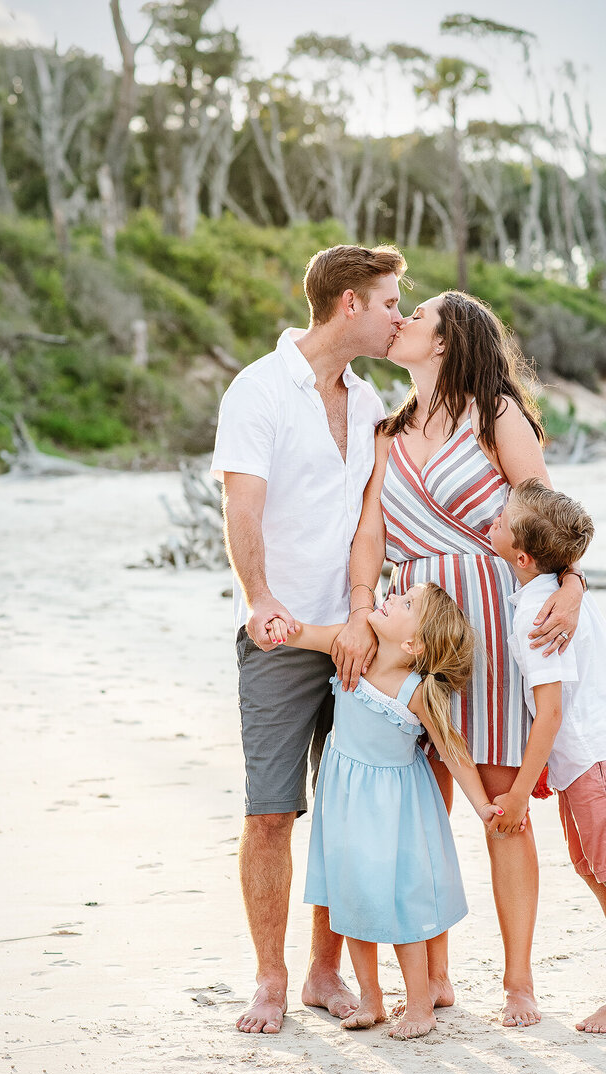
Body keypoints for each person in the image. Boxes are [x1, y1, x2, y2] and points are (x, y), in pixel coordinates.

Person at [331, 291, 586, 1028]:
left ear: (445, 343)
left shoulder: (494, 415)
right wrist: (358, 612)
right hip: (413, 629)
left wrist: (569, 585)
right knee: (422, 805)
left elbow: (551, 521)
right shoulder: (386, 433)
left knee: (502, 805)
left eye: (418, 318)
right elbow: (371, 539)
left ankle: (518, 980)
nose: (401, 321)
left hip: (495, 628)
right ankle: (434, 975)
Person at [210, 243, 407, 1034]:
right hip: (284, 633)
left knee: (344, 810)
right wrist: (260, 598)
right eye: (391, 300)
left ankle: (326, 971)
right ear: (350, 304)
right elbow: (243, 508)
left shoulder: (366, 402)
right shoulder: (257, 389)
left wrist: (365, 611)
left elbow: (370, 518)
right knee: (270, 811)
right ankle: (269, 974)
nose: (399, 314)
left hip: (358, 633)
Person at [267, 583, 511, 1039]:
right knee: (352, 896)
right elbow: (304, 634)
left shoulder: (414, 689)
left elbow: (452, 751)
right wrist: (279, 626)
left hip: (395, 810)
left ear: (414, 644)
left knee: (403, 904)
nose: (393, 596)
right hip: (345, 801)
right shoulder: (353, 645)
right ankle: (371, 997)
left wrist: (481, 804)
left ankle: (420, 1005)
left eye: (407, 603)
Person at [489, 477, 606, 1032]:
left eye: (503, 517)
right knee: (592, 864)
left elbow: (553, 712)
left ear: (521, 555)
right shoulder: (549, 592)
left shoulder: (538, 614)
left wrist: (517, 795)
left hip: (595, 754)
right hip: (582, 759)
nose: (494, 516)